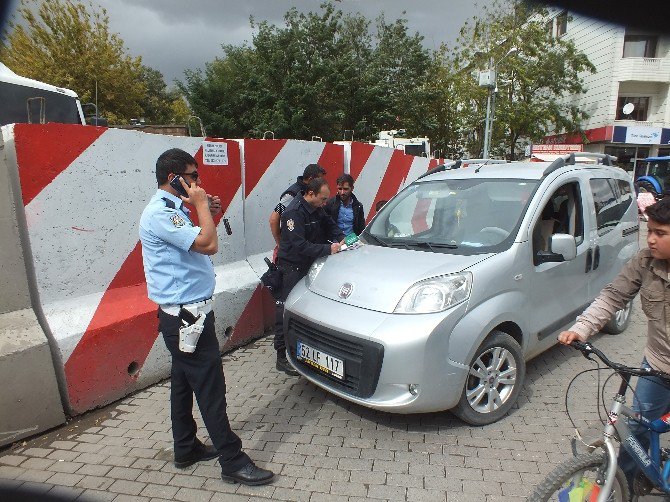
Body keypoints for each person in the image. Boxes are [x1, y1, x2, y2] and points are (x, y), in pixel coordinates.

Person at [139, 148, 274, 486]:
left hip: (187, 316)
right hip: (187, 318)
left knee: (183, 386)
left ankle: (185, 448)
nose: (198, 182)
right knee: (211, 389)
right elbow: (208, 245)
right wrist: (201, 207)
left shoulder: (174, 210)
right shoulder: (160, 213)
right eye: (193, 175)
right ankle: (233, 461)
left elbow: (199, 234)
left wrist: (204, 210)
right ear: (174, 178)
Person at [558, 196, 670, 497]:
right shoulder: (644, 262)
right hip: (657, 366)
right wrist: (581, 329)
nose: (651, 239)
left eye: (661, 233)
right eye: (650, 230)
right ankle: (626, 487)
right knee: (638, 431)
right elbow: (612, 297)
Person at [274, 177, 345, 375]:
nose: (325, 203)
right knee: (284, 309)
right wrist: (329, 248)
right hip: (292, 267)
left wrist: (342, 237)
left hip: (310, 265)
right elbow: (300, 245)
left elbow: (329, 224)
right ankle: (281, 356)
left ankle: (308, 348)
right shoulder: (293, 212)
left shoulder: (316, 208)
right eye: (322, 199)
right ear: (310, 194)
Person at [269, 163, 327, 254]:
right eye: (319, 179)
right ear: (310, 179)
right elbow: (273, 219)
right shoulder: (291, 195)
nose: (321, 183)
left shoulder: (309, 192)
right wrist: (280, 244)